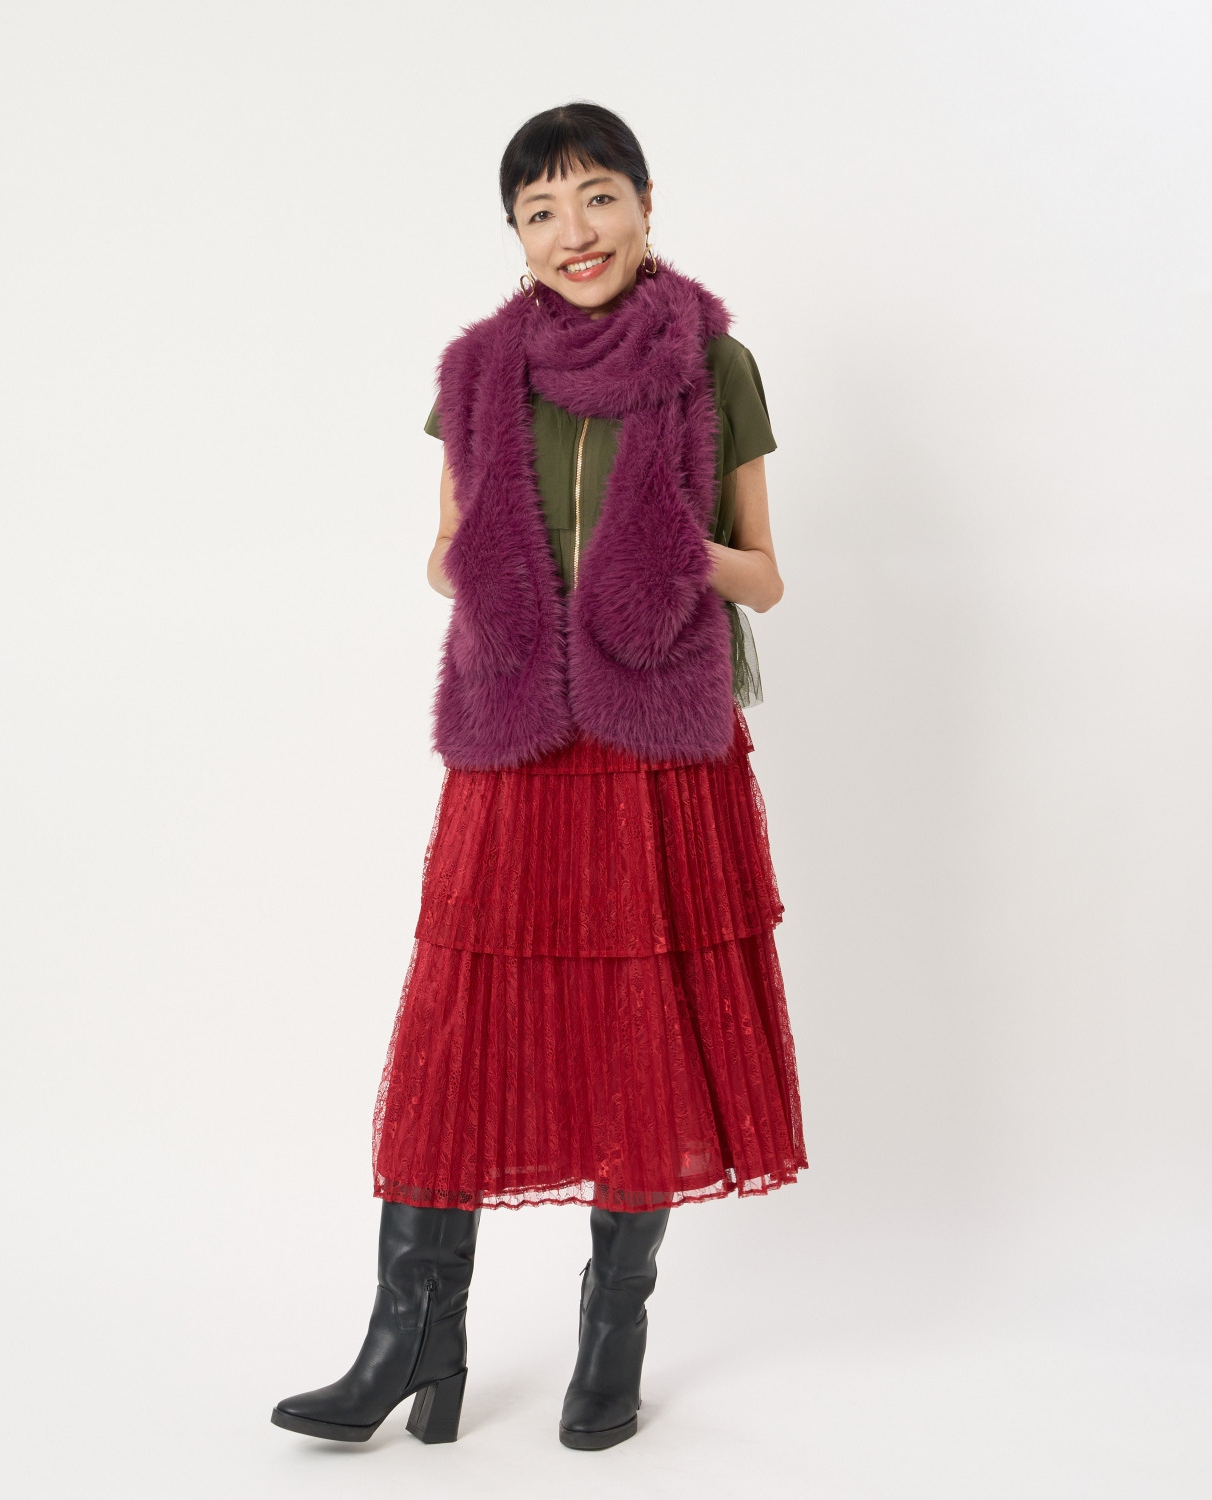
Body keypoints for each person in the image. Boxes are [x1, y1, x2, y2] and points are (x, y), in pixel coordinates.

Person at [271, 102, 807, 1453]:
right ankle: (413, 1339)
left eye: (598, 198)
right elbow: (443, 553)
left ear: (646, 205)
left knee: (642, 1025)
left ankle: (612, 1336)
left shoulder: (712, 360)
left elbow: (764, 577)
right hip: (515, 729)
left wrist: (669, 553)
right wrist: (489, 561)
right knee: (458, 1023)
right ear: (514, 233)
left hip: (656, 736)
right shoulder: (477, 370)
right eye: (540, 211)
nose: (574, 232)